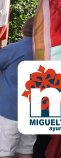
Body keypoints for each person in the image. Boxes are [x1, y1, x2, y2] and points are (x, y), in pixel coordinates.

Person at [0, 17, 36, 158]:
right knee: (26, 152)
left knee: (5, 152)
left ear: (24, 30)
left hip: (10, 111)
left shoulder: (14, 50)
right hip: (33, 112)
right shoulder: (48, 52)